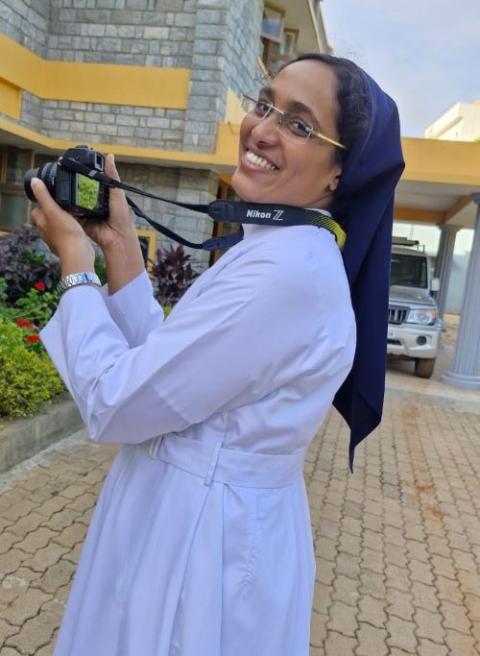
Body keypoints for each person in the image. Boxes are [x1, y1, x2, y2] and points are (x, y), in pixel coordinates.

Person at [31, 54, 403, 655]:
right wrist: (121, 244)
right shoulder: (283, 251)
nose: (262, 129)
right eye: (264, 105)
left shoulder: (283, 272)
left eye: (300, 125)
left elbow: (116, 402)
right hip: (200, 512)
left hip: (200, 540)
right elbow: (168, 368)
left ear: (341, 171)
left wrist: (76, 264)